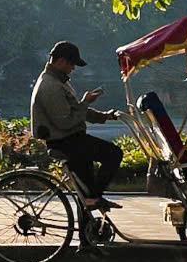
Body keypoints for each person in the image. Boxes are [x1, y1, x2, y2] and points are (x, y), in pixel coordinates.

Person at [31, 40, 120, 212]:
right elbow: (66, 121)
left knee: (84, 189)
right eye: (72, 64)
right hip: (65, 141)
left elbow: (75, 109)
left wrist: (104, 116)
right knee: (114, 154)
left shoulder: (59, 82)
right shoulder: (50, 86)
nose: (73, 68)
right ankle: (94, 198)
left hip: (71, 139)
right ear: (62, 61)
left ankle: (88, 227)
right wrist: (86, 102)